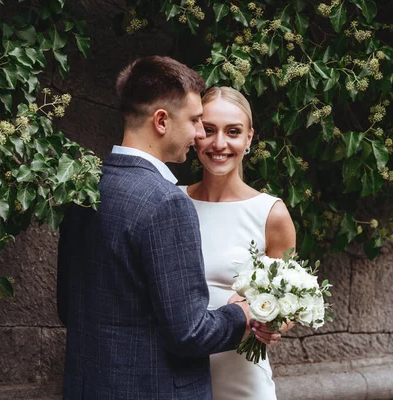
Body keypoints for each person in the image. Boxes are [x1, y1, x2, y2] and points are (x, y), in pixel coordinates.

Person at [56, 57, 280, 400]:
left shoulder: (87, 185)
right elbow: (189, 334)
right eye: (194, 120)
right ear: (161, 120)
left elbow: (67, 308)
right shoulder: (166, 202)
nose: (199, 133)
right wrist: (242, 313)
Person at [179, 86, 297, 399]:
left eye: (233, 131)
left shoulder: (271, 214)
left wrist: (273, 325)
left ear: (248, 138)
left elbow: (289, 300)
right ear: (194, 132)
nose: (219, 143)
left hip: (243, 381)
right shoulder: (171, 201)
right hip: (175, 379)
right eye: (208, 130)